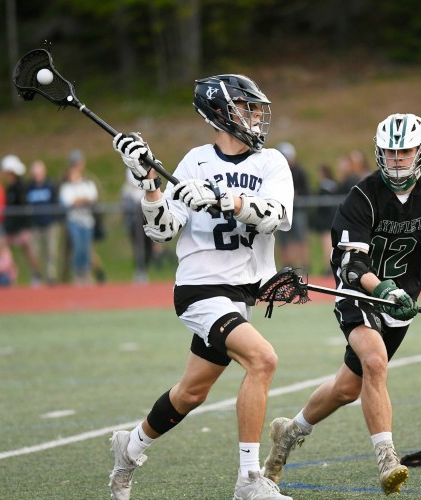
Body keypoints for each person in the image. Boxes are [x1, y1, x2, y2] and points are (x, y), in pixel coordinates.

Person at [262, 113, 421, 495]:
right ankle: (387, 457)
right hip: (361, 292)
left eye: (405, 151)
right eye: (390, 151)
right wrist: (383, 290)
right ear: (379, 152)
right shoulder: (363, 196)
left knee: (346, 387)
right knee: (375, 361)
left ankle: (290, 432)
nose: (398, 159)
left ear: (420, 152)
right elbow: (352, 264)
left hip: (402, 300)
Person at [108, 73, 295, 500]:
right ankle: (249, 481)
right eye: (247, 108)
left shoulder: (271, 163)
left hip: (240, 294)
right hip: (200, 288)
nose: (256, 117)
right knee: (263, 360)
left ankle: (130, 446)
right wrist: (149, 184)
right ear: (220, 113)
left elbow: (277, 215)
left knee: (191, 392)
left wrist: (224, 199)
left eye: (256, 109)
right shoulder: (193, 162)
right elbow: (162, 231)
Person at [1, 154, 43, 285]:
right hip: (11, 227)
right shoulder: (10, 188)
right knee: (4, 250)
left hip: (22, 226)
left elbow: (23, 207)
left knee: (29, 251)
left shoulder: (21, 187)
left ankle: (37, 275)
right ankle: (8, 275)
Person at [59, 150, 99, 285]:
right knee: (77, 247)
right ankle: (77, 274)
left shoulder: (87, 182)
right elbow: (68, 201)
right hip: (74, 220)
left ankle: (86, 273)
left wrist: (79, 200)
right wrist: (82, 200)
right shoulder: (66, 185)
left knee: (86, 248)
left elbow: (92, 197)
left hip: (87, 221)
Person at [276, 142, 310, 271]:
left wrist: (296, 194)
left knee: (301, 239)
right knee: (283, 241)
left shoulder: (299, 172)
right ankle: (286, 266)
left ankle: (304, 265)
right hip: (282, 211)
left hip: (297, 211)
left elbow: (307, 191)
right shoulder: (277, 173)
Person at [26, 159, 61, 285]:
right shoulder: (29, 187)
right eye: (35, 173)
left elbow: (56, 203)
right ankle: (36, 276)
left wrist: (55, 219)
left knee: (51, 251)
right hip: (36, 225)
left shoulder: (50, 185)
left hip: (50, 224)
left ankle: (51, 276)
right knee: (35, 252)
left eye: (39, 172)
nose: (37, 175)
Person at [120, 169, 152, 283]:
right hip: (134, 223)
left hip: (147, 221)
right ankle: (140, 270)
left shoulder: (147, 186)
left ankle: (144, 268)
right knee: (138, 246)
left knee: (149, 246)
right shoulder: (127, 191)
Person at [313, 163, 341, 271]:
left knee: (327, 243)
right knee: (330, 243)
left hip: (327, 220)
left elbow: (323, 208)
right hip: (333, 219)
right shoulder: (333, 185)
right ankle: (330, 265)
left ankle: (329, 266)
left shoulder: (325, 186)